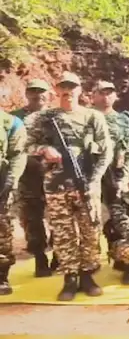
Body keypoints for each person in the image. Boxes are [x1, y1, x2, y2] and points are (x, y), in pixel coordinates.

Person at [25, 72, 113, 301]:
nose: (68, 91)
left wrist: (95, 180)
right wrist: (43, 149)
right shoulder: (43, 118)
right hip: (56, 186)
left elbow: (106, 152)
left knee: (90, 231)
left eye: (72, 86)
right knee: (63, 233)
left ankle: (87, 275)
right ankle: (70, 278)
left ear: (79, 89)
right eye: (63, 87)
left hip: (87, 184)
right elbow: (25, 145)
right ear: (56, 90)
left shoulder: (93, 116)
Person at [12, 79, 54, 277]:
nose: (38, 95)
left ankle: (59, 255)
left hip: (55, 176)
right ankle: (40, 257)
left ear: (49, 94)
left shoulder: (56, 116)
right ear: (27, 93)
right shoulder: (15, 118)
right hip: (27, 176)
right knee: (32, 219)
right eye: (33, 91)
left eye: (42, 91)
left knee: (59, 217)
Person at [93, 81, 129, 219]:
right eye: (102, 93)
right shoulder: (86, 116)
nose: (106, 97)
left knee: (120, 214)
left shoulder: (123, 120)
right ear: (93, 96)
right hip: (92, 173)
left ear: (115, 96)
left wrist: (124, 177)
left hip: (115, 173)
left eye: (109, 94)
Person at [0, 110, 27, 294]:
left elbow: (18, 154)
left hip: (1, 184)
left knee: (2, 234)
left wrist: (11, 180)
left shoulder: (10, 122)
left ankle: (1, 276)